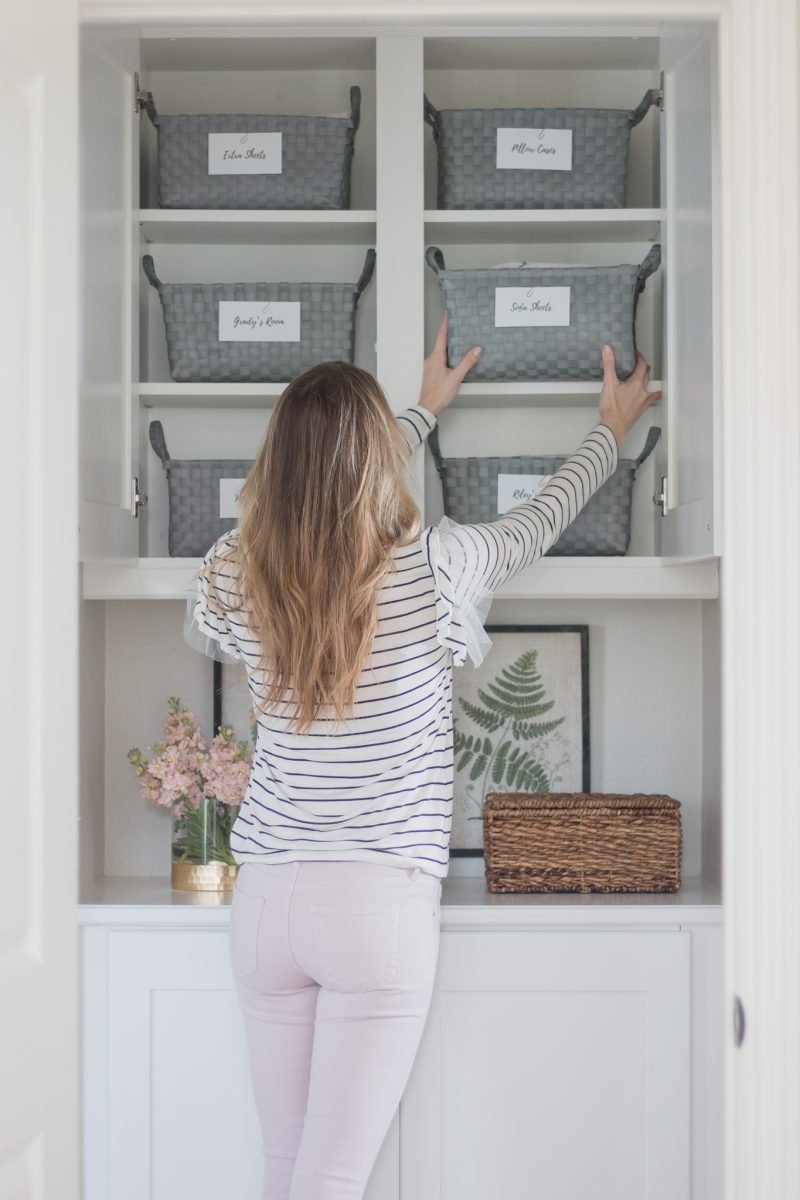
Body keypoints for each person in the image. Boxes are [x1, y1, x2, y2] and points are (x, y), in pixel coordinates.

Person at [184, 313, 661, 1200]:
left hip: (266, 903)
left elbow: (302, 523)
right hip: (376, 906)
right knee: (329, 1179)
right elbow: (542, 515)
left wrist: (420, 411)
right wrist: (613, 426)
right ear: (376, 462)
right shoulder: (443, 565)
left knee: (287, 1171)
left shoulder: (233, 572)